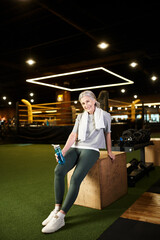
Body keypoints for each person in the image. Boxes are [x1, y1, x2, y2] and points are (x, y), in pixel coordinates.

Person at [42, 90, 115, 234]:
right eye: (83, 103)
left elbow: (108, 133)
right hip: (76, 147)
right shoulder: (80, 117)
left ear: (94, 100)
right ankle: (56, 209)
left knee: (75, 179)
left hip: (91, 149)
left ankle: (61, 216)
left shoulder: (105, 115)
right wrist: (63, 151)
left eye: (88, 101)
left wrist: (110, 152)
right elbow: (73, 134)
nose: (86, 105)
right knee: (58, 171)